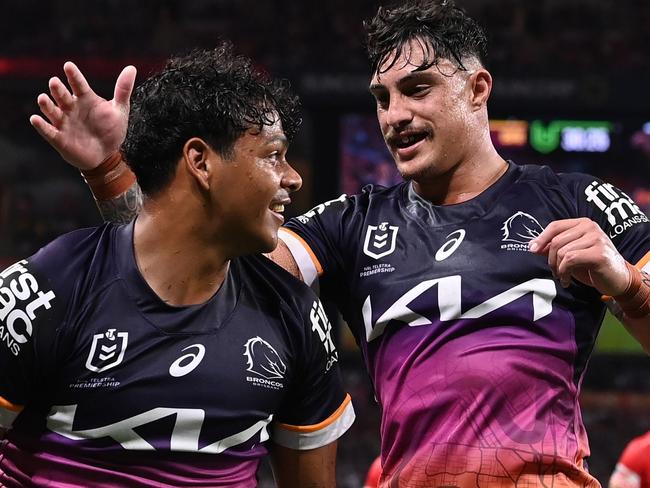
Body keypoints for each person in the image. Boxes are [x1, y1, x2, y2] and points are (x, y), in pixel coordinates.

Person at [29, 1, 650, 486]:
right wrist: (115, 172)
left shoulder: (580, 201)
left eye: (417, 88)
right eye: (381, 98)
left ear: (479, 89)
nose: (393, 115)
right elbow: (194, 260)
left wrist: (627, 285)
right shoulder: (349, 224)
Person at [1, 44, 355, 487]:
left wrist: (110, 171)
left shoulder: (296, 315)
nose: (293, 177)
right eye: (272, 154)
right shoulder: (49, 288)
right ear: (201, 161)